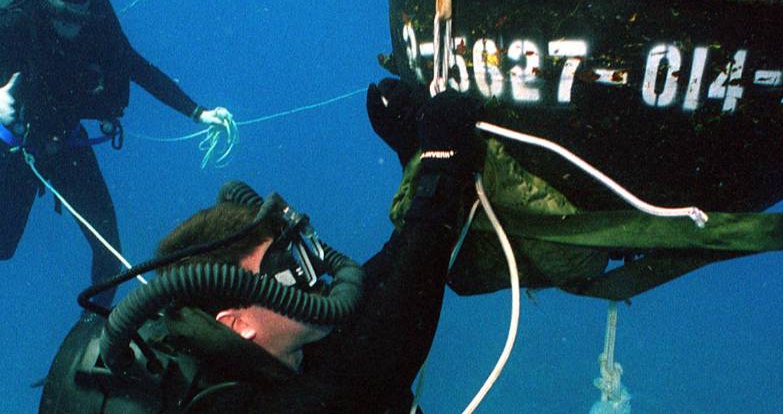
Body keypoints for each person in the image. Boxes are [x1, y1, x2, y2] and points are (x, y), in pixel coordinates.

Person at [39, 82, 485, 413]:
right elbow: (378, 361)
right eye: (281, 272)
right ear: (237, 324)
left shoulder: (274, 350)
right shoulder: (242, 407)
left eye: (292, 256)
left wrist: (420, 159)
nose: (308, 280)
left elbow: (382, 301)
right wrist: (439, 170)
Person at [0, 0, 229, 372]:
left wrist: (199, 112)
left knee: (110, 251)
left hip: (68, 145)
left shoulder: (97, 27)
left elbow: (141, 70)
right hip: (16, 147)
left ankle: (91, 338)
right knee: (2, 244)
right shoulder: (18, 23)